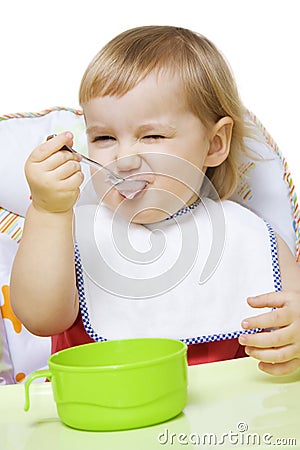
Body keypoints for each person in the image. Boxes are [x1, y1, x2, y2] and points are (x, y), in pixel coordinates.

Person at [10, 26, 300, 376]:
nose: (125, 157)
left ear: (214, 144)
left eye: (152, 136)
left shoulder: (250, 235)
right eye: (104, 137)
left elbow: (291, 316)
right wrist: (48, 211)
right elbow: (41, 318)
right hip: (97, 421)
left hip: (227, 426)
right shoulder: (70, 229)